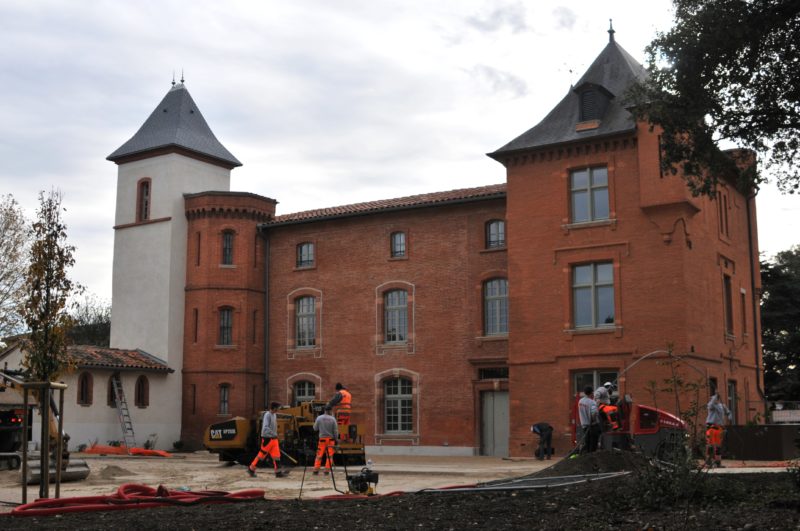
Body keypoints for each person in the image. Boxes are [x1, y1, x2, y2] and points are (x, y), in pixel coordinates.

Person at [248, 402, 286, 478]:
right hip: (267, 439)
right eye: (278, 408)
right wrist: (274, 434)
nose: (278, 409)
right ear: (274, 408)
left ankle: (278, 473)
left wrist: (275, 435)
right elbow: (265, 428)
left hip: (274, 439)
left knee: (277, 456)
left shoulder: (274, 415)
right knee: (261, 456)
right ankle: (251, 469)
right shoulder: (267, 415)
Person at [705, 391, 733, 467]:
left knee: (718, 446)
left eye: (715, 398)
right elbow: (711, 403)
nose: (713, 399)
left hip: (719, 428)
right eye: (713, 398)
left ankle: (718, 463)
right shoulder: (711, 406)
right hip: (711, 427)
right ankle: (708, 463)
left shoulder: (722, 406)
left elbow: (728, 412)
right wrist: (716, 396)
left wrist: (730, 416)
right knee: (710, 445)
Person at [312, 406, 339, 475]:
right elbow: (335, 431)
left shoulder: (319, 418)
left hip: (322, 440)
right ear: (330, 411)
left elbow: (315, 428)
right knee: (329, 456)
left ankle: (316, 470)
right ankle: (326, 470)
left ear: (324, 410)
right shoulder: (333, 419)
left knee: (319, 455)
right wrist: (336, 440)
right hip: (331, 440)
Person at [578, 386, 600, 453]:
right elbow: (594, 413)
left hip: (584, 426)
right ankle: (592, 459)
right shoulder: (592, 402)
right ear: (591, 393)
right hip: (592, 426)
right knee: (593, 446)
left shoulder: (580, 401)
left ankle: (587, 458)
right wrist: (597, 405)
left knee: (587, 444)